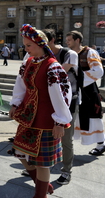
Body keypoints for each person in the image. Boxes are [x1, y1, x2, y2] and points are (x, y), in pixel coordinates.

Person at [9, 24, 72, 198]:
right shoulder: (28, 62)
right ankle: (42, 185)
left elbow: (61, 96)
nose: (25, 49)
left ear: (40, 44)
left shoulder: (52, 67)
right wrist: (15, 104)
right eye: (25, 45)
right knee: (20, 152)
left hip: (46, 119)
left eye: (29, 45)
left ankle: (40, 194)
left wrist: (60, 122)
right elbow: (20, 85)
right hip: (28, 117)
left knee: (43, 163)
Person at [43, 29, 78, 185]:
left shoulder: (69, 54)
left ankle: (66, 171)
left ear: (51, 41)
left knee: (65, 139)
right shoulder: (38, 55)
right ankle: (43, 166)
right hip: (47, 101)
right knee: (46, 135)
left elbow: (58, 73)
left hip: (68, 101)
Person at [66, 31, 105, 156]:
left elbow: (98, 71)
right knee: (76, 117)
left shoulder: (89, 52)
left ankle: (101, 144)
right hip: (75, 89)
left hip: (88, 90)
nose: (67, 42)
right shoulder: (70, 54)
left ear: (77, 40)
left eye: (69, 40)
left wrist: (79, 77)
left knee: (93, 117)